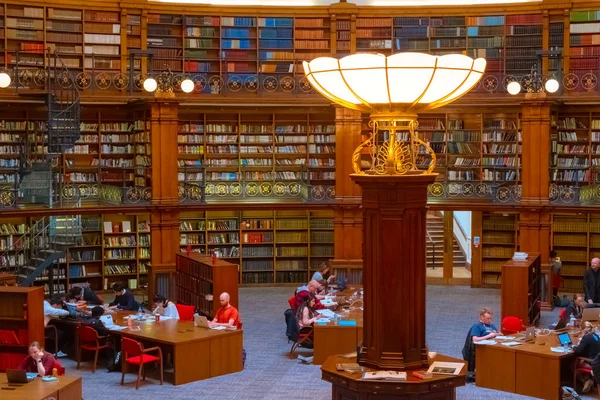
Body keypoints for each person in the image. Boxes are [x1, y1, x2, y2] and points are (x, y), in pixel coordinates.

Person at [462, 308, 502, 382]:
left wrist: (498, 334)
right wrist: (489, 336)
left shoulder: (491, 326)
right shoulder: (477, 326)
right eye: (488, 318)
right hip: (480, 349)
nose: (490, 320)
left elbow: (495, 333)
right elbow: (475, 339)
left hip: (492, 346)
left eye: (490, 318)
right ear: (481, 318)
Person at [574, 322, 600, 393]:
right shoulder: (596, 336)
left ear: (583, 329)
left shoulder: (586, 337)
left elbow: (578, 351)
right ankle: (588, 379)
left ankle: (585, 380)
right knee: (581, 360)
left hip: (591, 362)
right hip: (597, 361)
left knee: (572, 363)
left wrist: (574, 348)